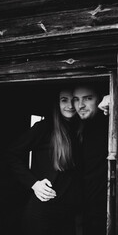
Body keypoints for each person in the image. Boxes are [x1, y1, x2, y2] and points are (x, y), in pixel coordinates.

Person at [5, 87, 81, 235]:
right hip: (43, 209)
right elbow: (11, 153)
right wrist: (34, 183)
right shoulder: (45, 127)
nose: (70, 105)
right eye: (64, 100)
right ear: (56, 103)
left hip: (67, 211)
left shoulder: (80, 128)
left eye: (74, 100)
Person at [73, 83, 109, 235]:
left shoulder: (108, 121)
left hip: (105, 205)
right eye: (76, 99)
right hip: (82, 206)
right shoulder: (78, 127)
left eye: (88, 98)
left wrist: (116, 96)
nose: (80, 105)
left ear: (99, 99)